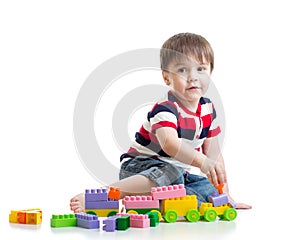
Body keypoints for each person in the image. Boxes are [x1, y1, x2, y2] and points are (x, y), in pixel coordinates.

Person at [70, 33, 251, 212]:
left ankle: (154, 203)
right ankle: (103, 195)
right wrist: (202, 162)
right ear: (167, 78)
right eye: (182, 70)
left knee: (206, 190)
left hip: (175, 176)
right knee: (171, 174)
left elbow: (214, 155)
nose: (193, 77)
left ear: (210, 72)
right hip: (140, 168)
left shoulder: (207, 110)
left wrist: (225, 194)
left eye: (201, 69)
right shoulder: (166, 108)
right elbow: (169, 143)